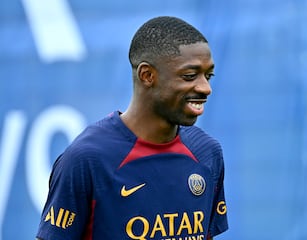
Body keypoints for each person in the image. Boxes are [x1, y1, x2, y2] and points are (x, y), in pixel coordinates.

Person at [36, 16, 228, 240]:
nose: (205, 88)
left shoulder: (206, 153)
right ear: (147, 75)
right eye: (189, 76)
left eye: (209, 76)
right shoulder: (86, 159)